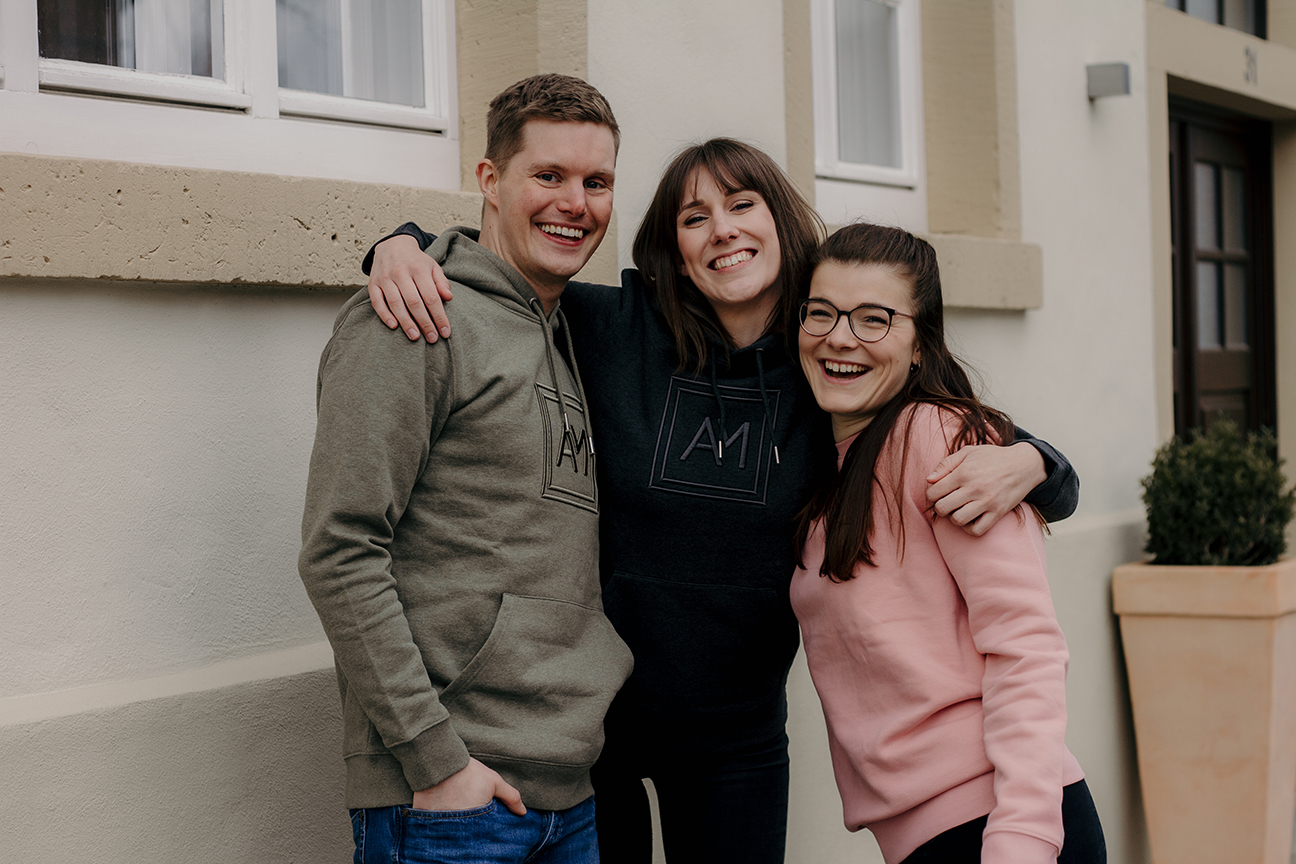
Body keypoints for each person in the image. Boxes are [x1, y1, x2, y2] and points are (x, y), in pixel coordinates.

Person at [363, 139, 1080, 863]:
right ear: (675, 250)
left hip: (738, 743)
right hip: (594, 727)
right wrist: (404, 245)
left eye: (742, 204)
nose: (723, 230)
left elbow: (982, 450)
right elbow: (504, 277)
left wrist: (1036, 460)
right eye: (695, 217)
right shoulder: (611, 328)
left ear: (781, 224)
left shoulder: (823, 358)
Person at [297, 73, 634, 864]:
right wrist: (436, 762)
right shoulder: (413, 317)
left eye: (596, 182)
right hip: (451, 804)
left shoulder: (571, 332)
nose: (575, 203)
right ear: (490, 179)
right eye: (547, 175)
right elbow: (340, 549)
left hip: (567, 797)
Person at [792, 223, 1105, 864]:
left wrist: (1021, 838)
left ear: (919, 346)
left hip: (998, 825)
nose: (840, 337)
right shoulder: (825, 464)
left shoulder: (942, 441)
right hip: (924, 838)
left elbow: (1025, 648)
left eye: (874, 319)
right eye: (821, 312)